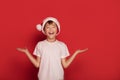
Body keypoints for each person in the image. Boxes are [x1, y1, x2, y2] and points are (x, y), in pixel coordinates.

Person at [17, 17, 88, 80]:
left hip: (58, 77)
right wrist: (27, 52)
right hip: (43, 77)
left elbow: (65, 65)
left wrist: (76, 53)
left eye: (53, 27)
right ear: (44, 30)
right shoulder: (40, 45)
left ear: (57, 29)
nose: (51, 29)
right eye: (48, 27)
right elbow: (37, 64)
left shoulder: (62, 45)